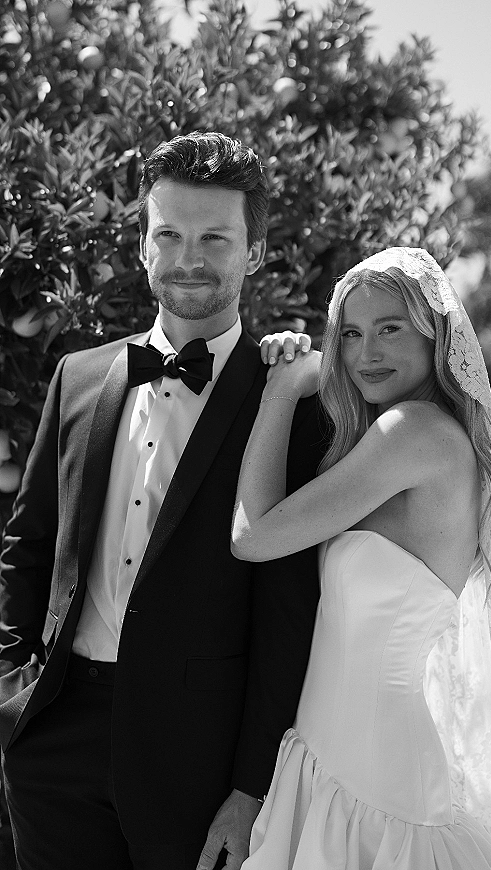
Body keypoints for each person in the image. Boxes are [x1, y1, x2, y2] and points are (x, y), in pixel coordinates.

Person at [0, 131, 326, 870]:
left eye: (216, 236)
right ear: (143, 243)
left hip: (198, 764)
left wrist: (251, 792)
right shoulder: (77, 378)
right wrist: (10, 699)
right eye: (170, 233)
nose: (190, 257)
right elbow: (26, 553)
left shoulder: (290, 399)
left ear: (255, 250)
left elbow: (287, 614)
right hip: (54, 745)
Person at [232, 247, 491, 869]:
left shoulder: (412, 432)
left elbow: (253, 537)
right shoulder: (408, 435)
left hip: (378, 780)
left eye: (390, 329)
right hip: (334, 758)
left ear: (435, 333)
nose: (367, 354)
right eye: (352, 334)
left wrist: (281, 390)